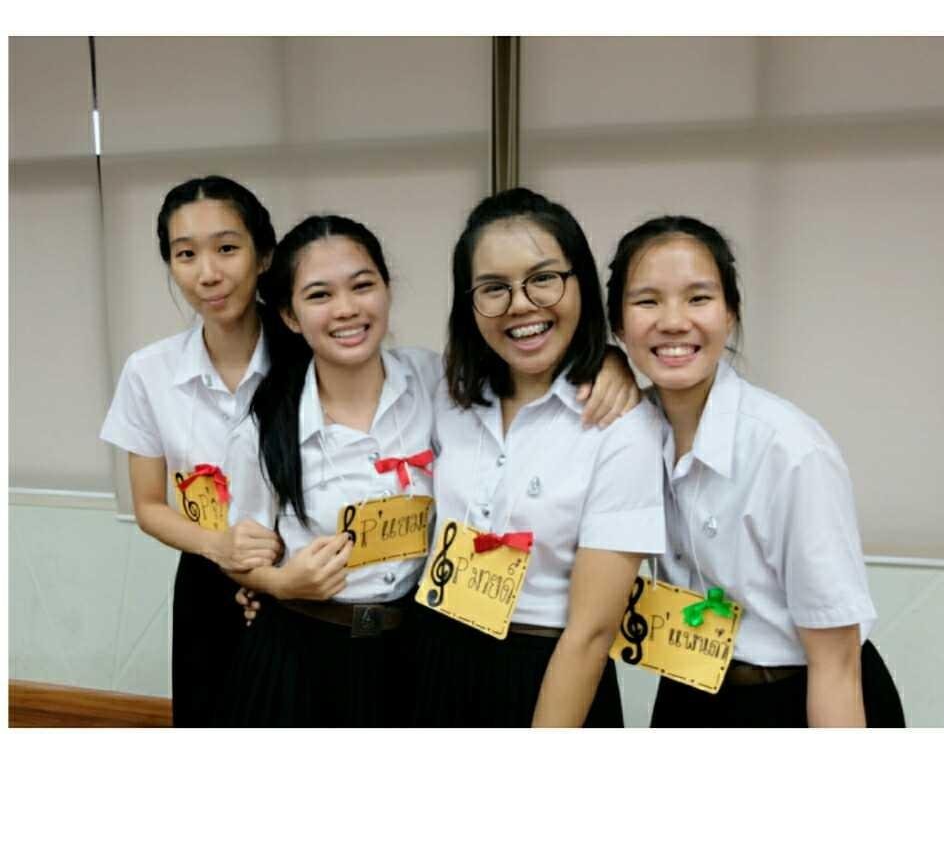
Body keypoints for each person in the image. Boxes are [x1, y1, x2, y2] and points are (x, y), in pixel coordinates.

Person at [219, 213, 639, 727]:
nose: (346, 309)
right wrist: (281, 584)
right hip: (302, 654)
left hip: (410, 654)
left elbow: (523, 357)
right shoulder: (264, 427)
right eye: (319, 295)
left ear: (387, 290)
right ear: (290, 315)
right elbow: (240, 555)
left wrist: (608, 361)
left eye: (362, 286)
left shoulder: (437, 383)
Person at [606, 214, 906, 727]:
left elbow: (836, 665)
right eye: (647, 301)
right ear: (618, 325)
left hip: (799, 693)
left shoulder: (788, 450)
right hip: (691, 688)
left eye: (698, 298)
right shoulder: (627, 433)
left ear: (730, 314)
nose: (673, 321)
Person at [411, 187, 666, 728]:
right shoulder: (447, 397)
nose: (520, 304)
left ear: (580, 284)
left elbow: (592, 632)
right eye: (493, 288)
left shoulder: (621, 425)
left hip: (550, 669)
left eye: (543, 279)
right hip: (435, 653)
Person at [100, 176, 283, 727]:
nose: (207, 273)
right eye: (186, 255)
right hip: (207, 575)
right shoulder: (149, 371)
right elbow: (149, 505)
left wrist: (280, 578)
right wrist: (218, 547)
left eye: (226, 248)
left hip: (302, 582)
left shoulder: (308, 360)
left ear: (264, 255)